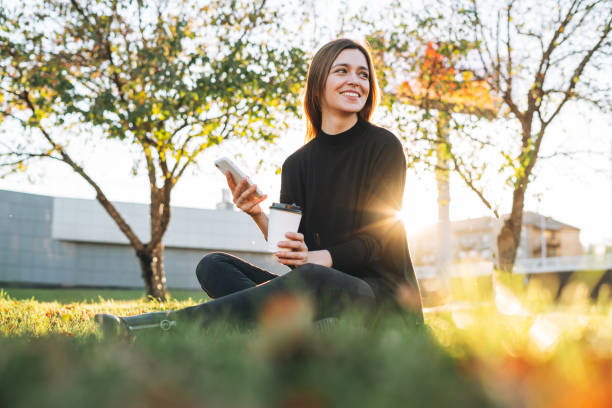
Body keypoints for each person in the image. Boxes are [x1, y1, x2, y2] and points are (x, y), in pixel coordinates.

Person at [95, 38, 423, 336]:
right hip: (318, 287)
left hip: (381, 298)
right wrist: (257, 215)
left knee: (312, 277)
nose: (355, 80)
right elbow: (295, 254)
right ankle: (300, 327)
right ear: (319, 83)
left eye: (363, 74)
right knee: (213, 265)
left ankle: (160, 327)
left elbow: (382, 237)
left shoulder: (383, 145)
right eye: (343, 71)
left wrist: (319, 259)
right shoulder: (297, 163)